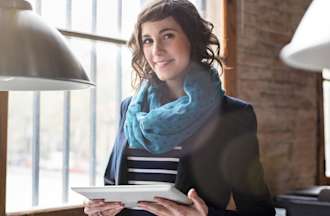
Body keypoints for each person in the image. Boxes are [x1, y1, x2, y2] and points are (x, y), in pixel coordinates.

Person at [84, 0, 275, 215]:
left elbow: (260, 212)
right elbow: (112, 185)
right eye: (147, 40)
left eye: (167, 36)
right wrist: (101, 209)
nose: (156, 50)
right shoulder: (129, 109)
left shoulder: (234, 115)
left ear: (192, 39)